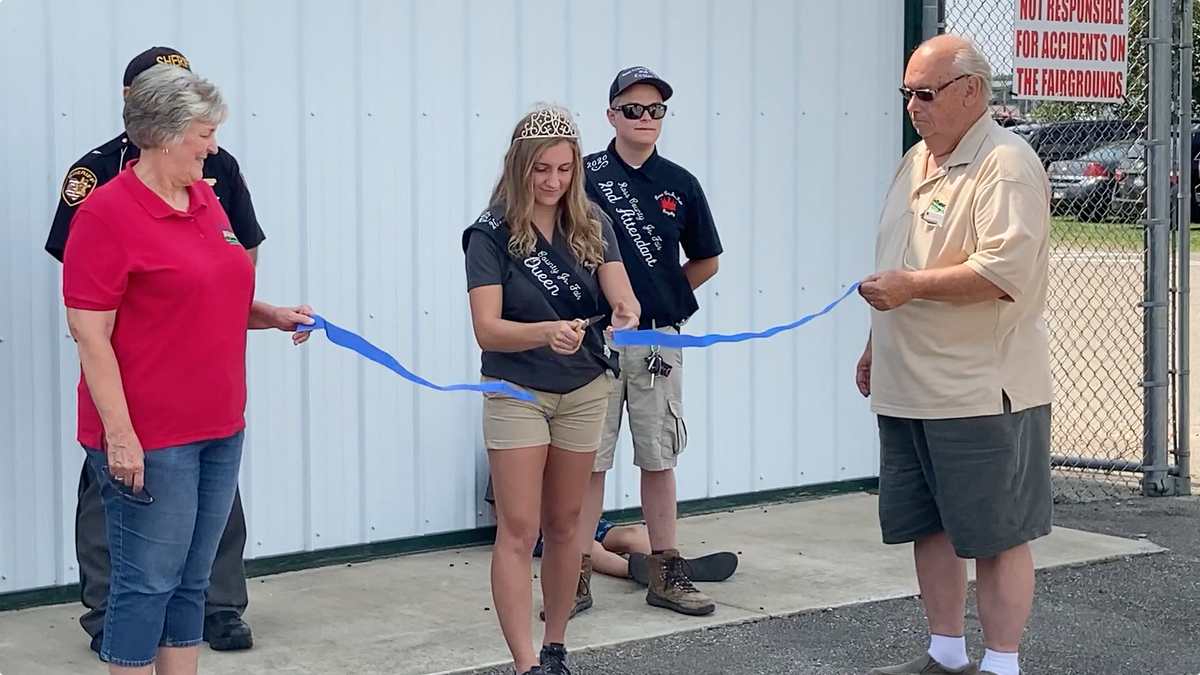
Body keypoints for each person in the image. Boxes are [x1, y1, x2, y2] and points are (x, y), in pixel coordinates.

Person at [61, 63, 313, 675]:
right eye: (205, 133)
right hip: (152, 437)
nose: (214, 146)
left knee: (191, 583)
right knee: (146, 584)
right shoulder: (104, 216)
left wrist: (271, 315)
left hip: (220, 424)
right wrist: (120, 436)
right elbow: (89, 334)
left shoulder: (204, 200)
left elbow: (211, 293)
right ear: (165, 134)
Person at [855, 35, 1053, 675]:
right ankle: (945, 653)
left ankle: (1001, 663)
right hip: (908, 384)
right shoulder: (916, 161)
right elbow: (900, 262)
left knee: (996, 536)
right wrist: (872, 345)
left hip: (976, 391)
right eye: (907, 94)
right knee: (929, 525)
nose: (913, 106)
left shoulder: (1005, 162)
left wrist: (909, 289)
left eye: (925, 94)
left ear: (971, 91)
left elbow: (1002, 272)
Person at [462, 102, 640, 675]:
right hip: (518, 390)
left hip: (585, 387)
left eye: (564, 170)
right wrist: (544, 331)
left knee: (568, 526)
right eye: (541, 169)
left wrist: (625, 309)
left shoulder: (591, 222)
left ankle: (556, 648)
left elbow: (622, 294)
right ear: (519, 167)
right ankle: (524, 663)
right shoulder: (489, 233)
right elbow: (486, 327)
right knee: (520, 528)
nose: (553, 182)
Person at [576, 66, 730, 618]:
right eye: (634, 109)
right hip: (593, 342)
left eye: (655, 110)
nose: (645, 119)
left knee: (658, 455)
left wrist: (661, 297)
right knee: (588, 460)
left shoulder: (681, 183)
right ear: (611, 114)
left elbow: (707, 259)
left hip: (657, 343)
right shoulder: (585, 176)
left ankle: (666, 573)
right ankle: (574, 577)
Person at [483, 477, 737, 585]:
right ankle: (638, 572)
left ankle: (672, 567)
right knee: (590, 548)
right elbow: (501, 514)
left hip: (579, 519)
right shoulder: (513, 450)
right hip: (543, 530)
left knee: (634, 535)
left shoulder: (567, 446)